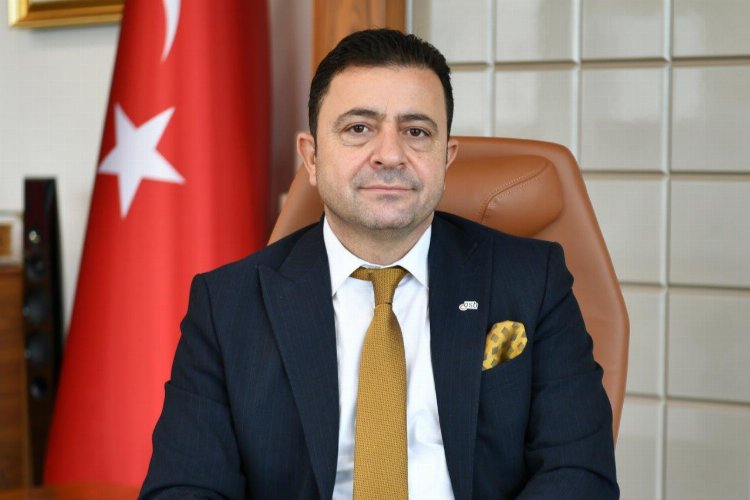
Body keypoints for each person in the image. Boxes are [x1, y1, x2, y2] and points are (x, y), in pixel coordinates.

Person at [140, 29, 618, 499]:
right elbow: (184, 488)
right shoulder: (227, 305)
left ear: (446, 158)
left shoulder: (532, 281)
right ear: (312, 156)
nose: (390, 155)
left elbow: (579, 473)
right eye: (358, 129)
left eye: (416, 132)